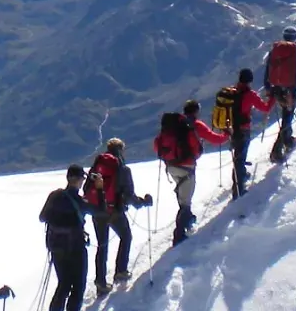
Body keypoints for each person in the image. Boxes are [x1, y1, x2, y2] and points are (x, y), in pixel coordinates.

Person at [154, 99, 227, 245]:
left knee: (183, 195)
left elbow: (157, 144)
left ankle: (188, 218)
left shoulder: (173, 125)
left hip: (171, 166)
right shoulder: (194, 125)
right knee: (185, 200)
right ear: (196, 111)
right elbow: (215, 139)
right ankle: (179, 235)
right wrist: (227, 134)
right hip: (186, 167)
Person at [85, 138, 152, 296]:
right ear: (121, 150)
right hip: (114, 211)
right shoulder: (122, 169)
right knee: (126, 236)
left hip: (97, 210)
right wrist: (143, 202)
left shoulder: (98, 165)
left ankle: (100, 283)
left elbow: (87, 187)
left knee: (102, 246)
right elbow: (129, 196)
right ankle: (120, 271)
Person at [39, 164, 94, 311]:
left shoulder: (55, 195)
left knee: (63, 284)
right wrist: (100, 190)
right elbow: (100, 211)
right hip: (75, 248)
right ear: (79, 180)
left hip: (56, 247)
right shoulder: (79, 201)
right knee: (78, 287)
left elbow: (42, 217)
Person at [225, 68, 273, 199]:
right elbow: (266, 108)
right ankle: (238, 189)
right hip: (243, 130)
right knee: (239, 159)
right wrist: (273, 98)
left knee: (238, 156)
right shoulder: (250, 95)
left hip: (231, 129)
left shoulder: (231, 92)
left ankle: (240, 177)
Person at [263, 27, 296, 163]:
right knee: (287, 118)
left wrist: (268, 88)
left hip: (276, 90)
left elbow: (268, 71)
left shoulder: (274, 52)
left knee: (286, 118)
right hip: (290, 91)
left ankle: (288, 141)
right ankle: (277, 151)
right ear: (295, 37)